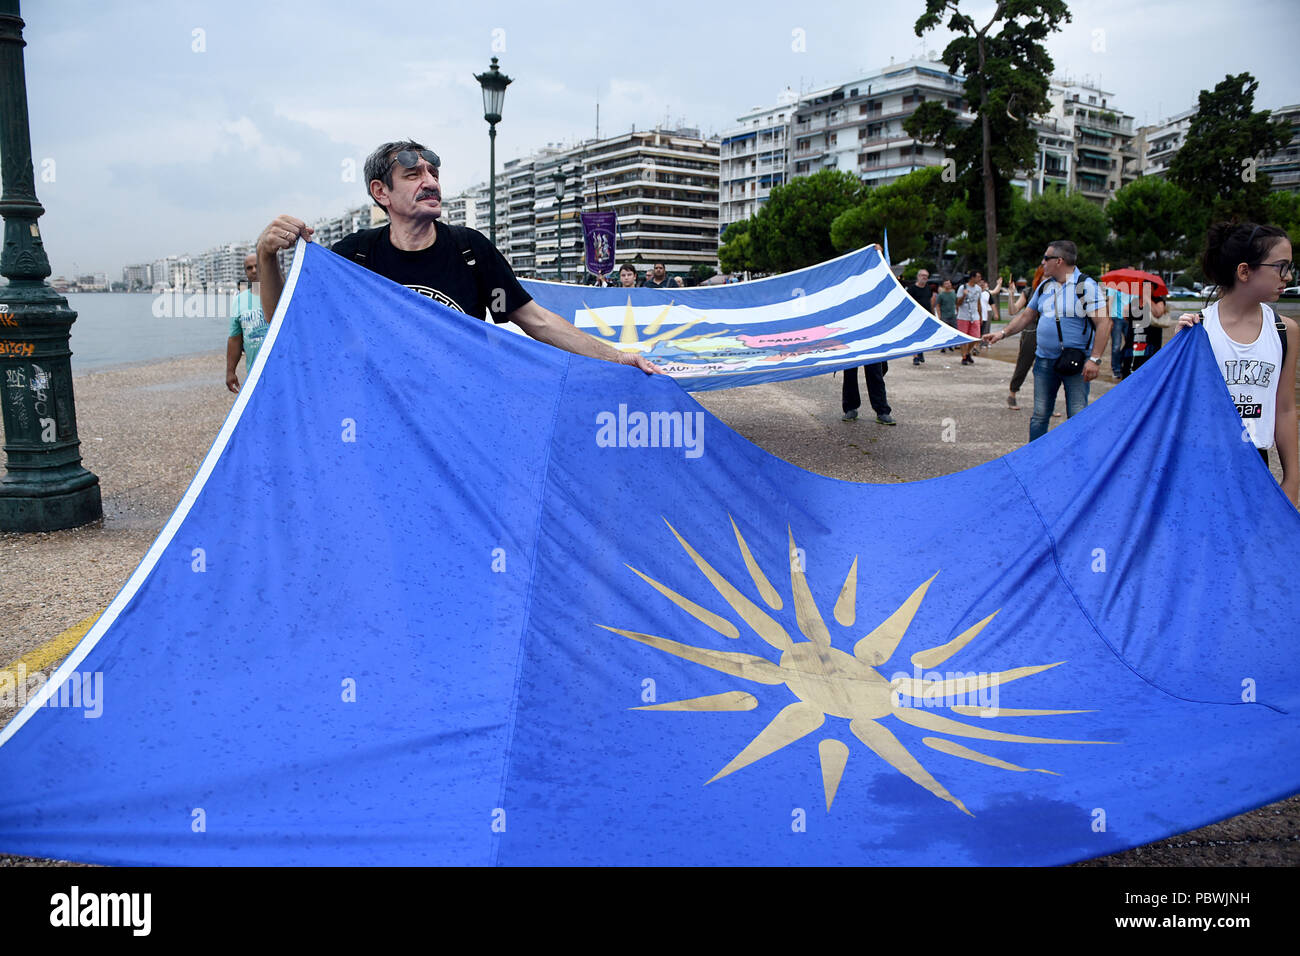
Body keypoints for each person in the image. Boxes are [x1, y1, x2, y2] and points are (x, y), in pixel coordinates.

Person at [254, 140, 657, 375]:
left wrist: (618, 357)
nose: (430, 182)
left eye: (434, 174)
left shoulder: (470, 250)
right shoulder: (356, 255)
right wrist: (267, 257)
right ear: (381, 193)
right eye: (414, 176)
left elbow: (537, 321)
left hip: (461, 418)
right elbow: (283, 324)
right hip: (382, 422)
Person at [1176, 222, 1297, 505]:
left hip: (1255, 466)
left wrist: (1292, 480)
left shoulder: (1285, 331)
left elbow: (1286, 408)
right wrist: (1179, 344)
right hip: (1199, 465)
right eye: (1281, 266)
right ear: (1244, 271)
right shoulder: (1197, 330)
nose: (1288, 276)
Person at [984, 240, 1111, 441]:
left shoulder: (1084, 286)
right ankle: (1034, 462)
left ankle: (1077, 461)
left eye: (1046, 258)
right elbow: (1026, 316)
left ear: (1059, 261)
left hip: (1076, 362)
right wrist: (1002, 333)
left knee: (1077, 414)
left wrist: (1094, 359)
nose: (1042, 262)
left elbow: (1104, 323)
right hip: (1044, 360)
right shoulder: (1045, 286)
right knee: (1040, 415)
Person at [1004, 266, 1047, 410]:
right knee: (1024, 363)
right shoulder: (1030, 292)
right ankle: (1012, 394)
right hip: (1031, 332)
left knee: (1047, 368)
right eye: (1044, 276)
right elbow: (1013, 310)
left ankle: (1047, 403)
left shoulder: (1057, 291)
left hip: (1048, 334)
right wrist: (1011, 294)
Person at [225, 253, 268, 394]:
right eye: (249, 268)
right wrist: (230, 371)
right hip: (254, 375)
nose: (254, 270)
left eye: (257, 266)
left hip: (285, 370)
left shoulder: (283, 293)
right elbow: (235, 339)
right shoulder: (239, 300)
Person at [907, 268, 937, 365]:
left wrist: (933, 314)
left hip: (926, 316)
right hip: (915, 316)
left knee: (923, 336)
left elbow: (930, 302)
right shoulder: (912, 289)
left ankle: (921, 352)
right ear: (918, 276)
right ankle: (915, 356)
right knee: (915, 335)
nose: (924, 278)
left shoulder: (928, 288)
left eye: (926, 276)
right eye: (923, 275)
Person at [955, 272, 983, 365]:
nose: (980, 279)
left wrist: (980, 316)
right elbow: (958, 303)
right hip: (963, 316)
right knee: (964, 338)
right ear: (972, 277)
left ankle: (967, 352)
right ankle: (964, 356)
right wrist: (964, 295)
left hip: (974, 316)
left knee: (976, 337)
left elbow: (978, 303)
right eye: (978, 277)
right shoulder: (962, 288)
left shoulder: (978, 289)